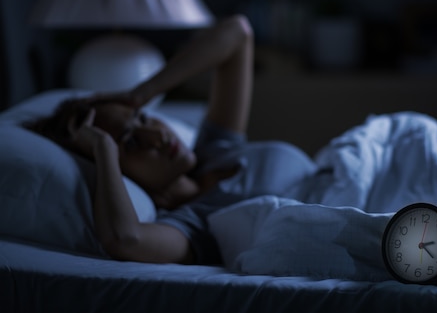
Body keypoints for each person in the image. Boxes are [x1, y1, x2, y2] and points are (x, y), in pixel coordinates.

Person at [25, 14, 318, 266]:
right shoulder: (195, 224)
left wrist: (142, 93)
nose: (158, 136)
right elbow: (124, 238)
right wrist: (104, 150)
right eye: (131, 143)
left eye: (141, 118)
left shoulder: (215, 148)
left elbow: (238, 32)